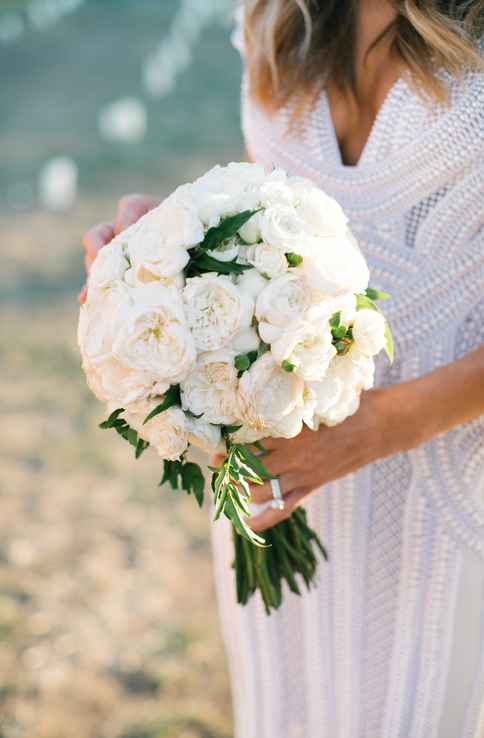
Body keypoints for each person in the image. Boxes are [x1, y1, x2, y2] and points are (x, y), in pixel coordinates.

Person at [81, 2, 484, 736]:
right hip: (286, 476)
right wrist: (172, 241)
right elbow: (276, 192)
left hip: (452, 486)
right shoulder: (274, 14)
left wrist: (378, 428)